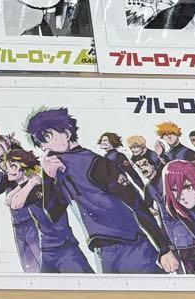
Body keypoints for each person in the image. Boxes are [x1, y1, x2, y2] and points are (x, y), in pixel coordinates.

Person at [26, 107, 178, 274]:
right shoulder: (58, 170)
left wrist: (163, 248)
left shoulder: (98, 164)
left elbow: (137, 205)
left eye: (47, 137)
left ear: (67, 133)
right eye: (40, 143)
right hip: (103, 254)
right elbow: (53, 214)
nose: (44, 147)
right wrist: (48, 178)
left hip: (133, 248)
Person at [3, 148, 92, 274]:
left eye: (12, 166)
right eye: (7, 167)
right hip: (47, 249)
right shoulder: (30, 185)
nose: (7, 170)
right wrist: (29, 182)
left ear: (23, 169)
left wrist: (31, 182)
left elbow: (16, 204)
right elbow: (8, 200)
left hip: (64, 248)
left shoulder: (37, 187)